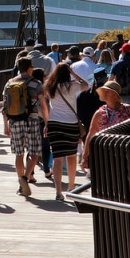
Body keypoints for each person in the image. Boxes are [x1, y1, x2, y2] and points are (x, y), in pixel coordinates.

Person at [42, 64, 86, 201]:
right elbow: (87, 84)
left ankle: (58, 191)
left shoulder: (50, 86)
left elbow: (47, 105)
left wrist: (46, 124)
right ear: (68, 73)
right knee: (72, 156)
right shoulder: (72, 86)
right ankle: (72, 187)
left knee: (57, 157)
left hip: (54, 123)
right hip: (70, 124)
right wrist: (74, 73)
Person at [3, 59, 47, 197]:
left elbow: (5, 106)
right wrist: (47, 122)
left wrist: (5, 124)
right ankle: (25, 178)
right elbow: (43, 105)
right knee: (34, 152)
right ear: (29, 68)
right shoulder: (37, 83)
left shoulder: (10, 83)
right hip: (32, 121)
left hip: (15, 121)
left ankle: (20, 182)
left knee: (19, 154)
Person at [81, 81, 130, 172]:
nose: (105, 92)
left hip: (126, 155)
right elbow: (91, 135)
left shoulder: (128, 110)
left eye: (108, 91)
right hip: (105, 156)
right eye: (104, 91)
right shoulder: (99, 113)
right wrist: (84, 157)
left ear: (115, 95)